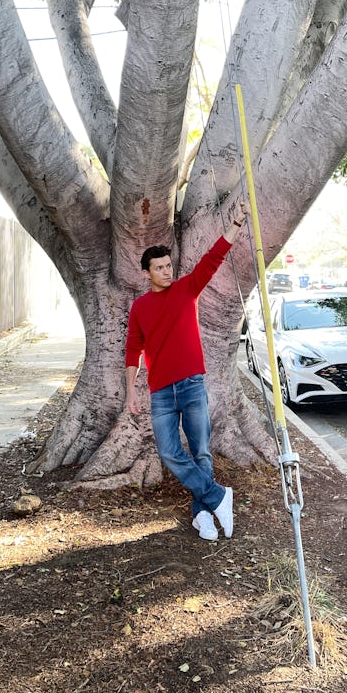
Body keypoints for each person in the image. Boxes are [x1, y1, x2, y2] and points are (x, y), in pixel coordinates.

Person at [125, 203, 248, 542]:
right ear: (147, 273)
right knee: (168, 452)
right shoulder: (140, 307)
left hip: (192, 384)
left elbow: (213, 258)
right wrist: (131, 391)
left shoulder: (186, 290)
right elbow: (132, 350)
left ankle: (203, 515)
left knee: (201, 451)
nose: (167, 271)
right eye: (159, 268)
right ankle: (219, 496)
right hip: (161, 391)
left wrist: (236, 223)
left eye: (168, 266)